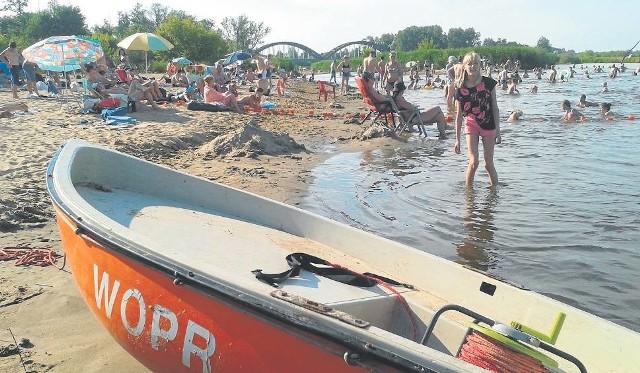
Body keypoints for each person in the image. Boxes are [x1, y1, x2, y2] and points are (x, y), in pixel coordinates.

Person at [453, 52, 501, 187]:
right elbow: (458, 116)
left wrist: (498, 130)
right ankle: (469, 196)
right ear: (464, 66)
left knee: (488, 164)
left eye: (476, 63)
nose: (472, 66)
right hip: (471, 123)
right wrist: (457, 139)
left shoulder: (489, 83)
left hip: (488, 123)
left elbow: (495, 108)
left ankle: (495, 193)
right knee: (474, 162)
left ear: (480, 65)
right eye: (469, 64)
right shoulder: (460, 88)